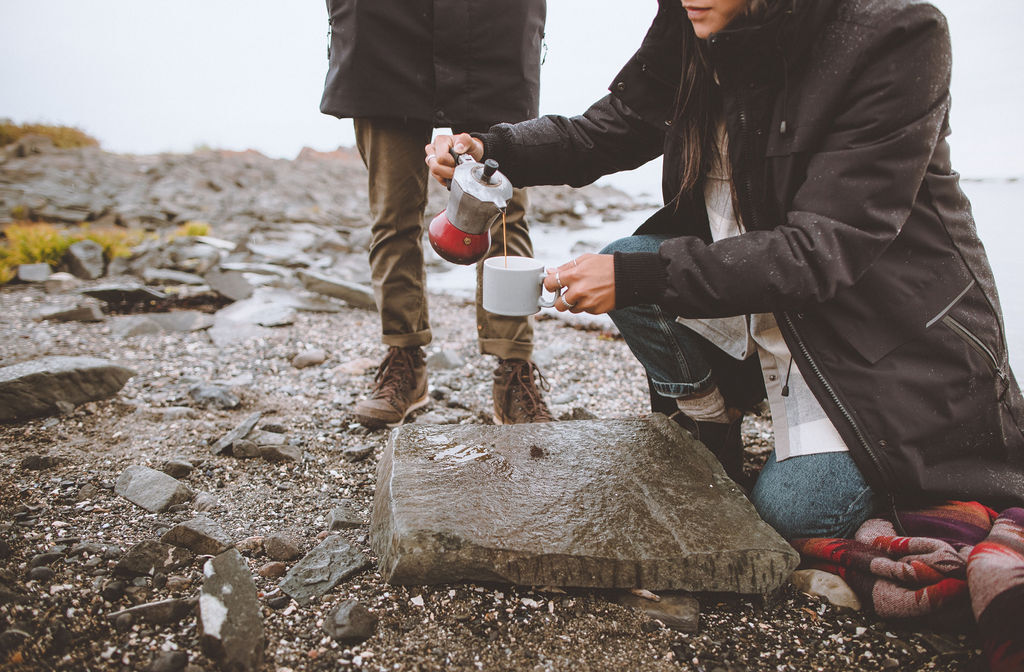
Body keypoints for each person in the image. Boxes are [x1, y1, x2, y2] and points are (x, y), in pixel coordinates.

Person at [426, 0, 1024, 539]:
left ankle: (896, 460)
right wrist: (492, 148)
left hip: (882, 344)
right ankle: (713, 420)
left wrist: (638, 280)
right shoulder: (693, 23)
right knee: (631, 257)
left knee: (792, 510)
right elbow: (609, 130)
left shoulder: (894, 34)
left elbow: (821, 249)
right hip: (764, 304)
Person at [320, 0, 552, 429]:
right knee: (393, 216)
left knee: (503, 213)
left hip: (496, 31)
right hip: (382, 31)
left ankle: (513, 367)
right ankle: (404, 357)